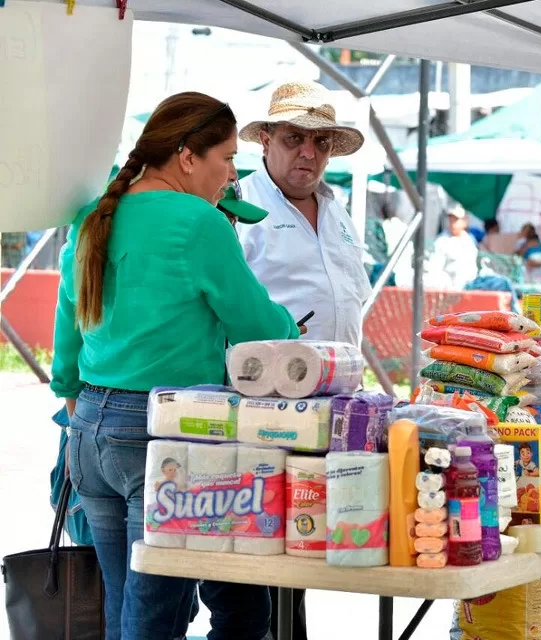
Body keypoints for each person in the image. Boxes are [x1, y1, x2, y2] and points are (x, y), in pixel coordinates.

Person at [51, 92, 302, 640]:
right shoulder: (198, 222)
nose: (231, 174)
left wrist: (76, 399)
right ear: (188, 156)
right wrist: (291, 333)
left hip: (90, 428)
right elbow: (256, 322)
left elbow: (67, 322)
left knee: (125, 609)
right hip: (164, 432)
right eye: (228, 158)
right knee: (155, 618)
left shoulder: (95, 214)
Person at [237, 81, 372, 347]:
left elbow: (356, 296)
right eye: (294, 138)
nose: (309, 153)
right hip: (265, 383)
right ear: (266, 141)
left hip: (339, 380)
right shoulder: (239, 206)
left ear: (331, 151)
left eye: (321, 142)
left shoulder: (336, 212)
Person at [427, 205, 480, 289]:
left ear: (465, 221)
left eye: (456, 220)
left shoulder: (470, 240)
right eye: (451, 220)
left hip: (470, 287)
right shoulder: (441, 241)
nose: (453, 223)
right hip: (449, 289)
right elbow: (435, 269)